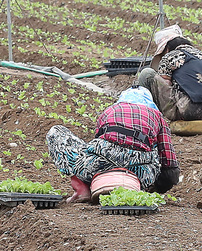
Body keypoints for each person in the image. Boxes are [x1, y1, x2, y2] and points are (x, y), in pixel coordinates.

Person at [46, 86, 180, 202]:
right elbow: (169, 162)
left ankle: (83, 187)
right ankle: (142, 188)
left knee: (56, 132)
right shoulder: (156, 115)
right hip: (140, 173)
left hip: (98, 166)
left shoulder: (110, 111)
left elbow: (97, 140)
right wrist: (158, 187)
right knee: (155, 146)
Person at [134, 24, 202, 126]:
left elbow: (163, 87)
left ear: (167, 48)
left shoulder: (170, 57)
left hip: (192, 111)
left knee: (147, 74)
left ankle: (145, 121)